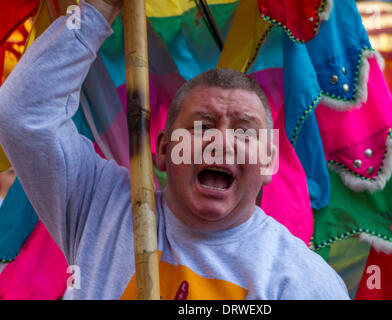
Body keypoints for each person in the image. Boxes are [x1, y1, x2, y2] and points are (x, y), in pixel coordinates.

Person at [0, 0, 350, 299]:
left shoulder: (303, 281)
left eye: (244, 132)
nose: (221, 141)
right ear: (164, 150)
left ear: (269, 161)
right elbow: (22, 115)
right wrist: (96, 11)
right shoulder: (100, 206)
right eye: (201, 126)